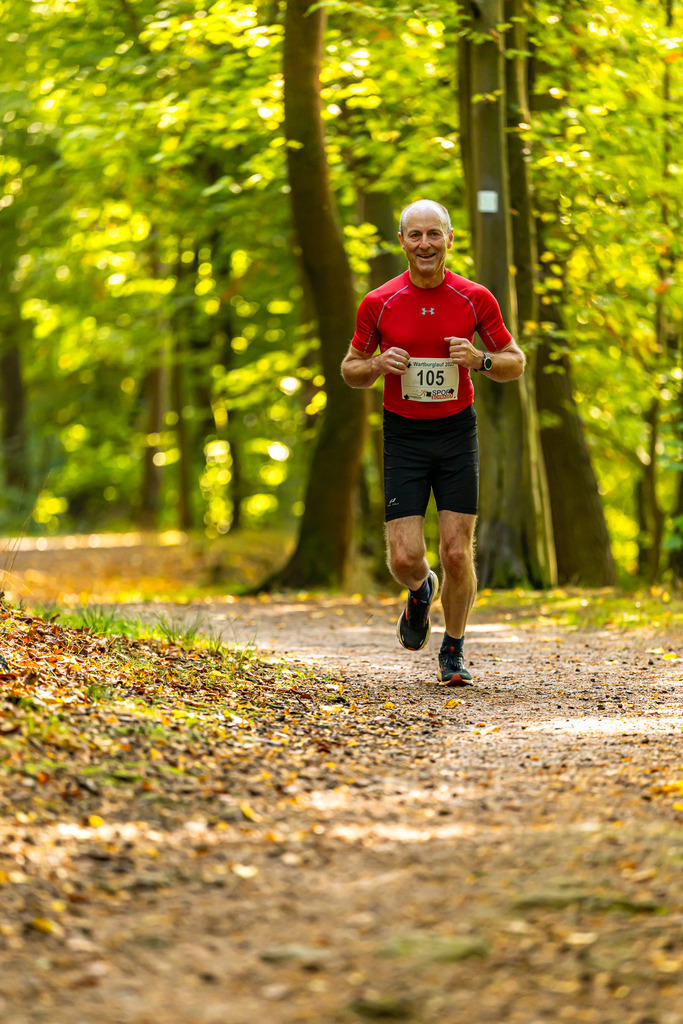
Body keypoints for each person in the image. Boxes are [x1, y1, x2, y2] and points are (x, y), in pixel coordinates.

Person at [341, 198, 525, 684]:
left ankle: (454, 649)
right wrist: (378, 365)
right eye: (415, 235)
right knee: (404, 558)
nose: (425, 244)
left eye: (433, 234)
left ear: (449, 239)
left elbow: (515, 361)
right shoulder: (379, 302)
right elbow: (350, 369)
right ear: (401, 241)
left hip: (455, 431)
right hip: (403, 435)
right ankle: (422, 591)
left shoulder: (474, 298)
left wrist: (480, 360)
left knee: (457, 551)